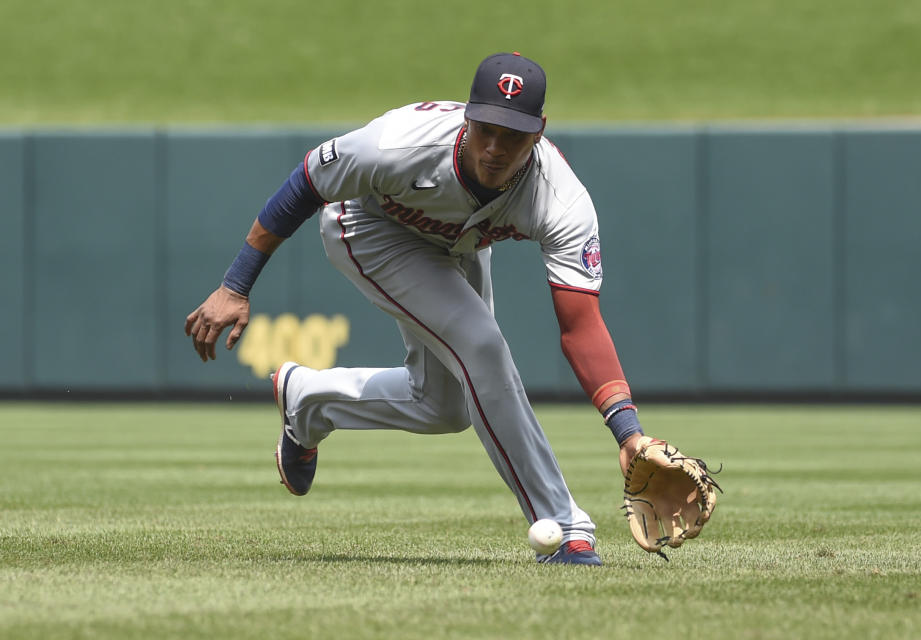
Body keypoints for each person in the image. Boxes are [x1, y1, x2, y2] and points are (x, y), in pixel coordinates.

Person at [185, 52, 649, 566]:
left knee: (445, 407)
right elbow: (305, 184)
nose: (494, 148)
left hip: (454, 244)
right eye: (486, 128)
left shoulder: (560, 199)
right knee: (482, 345)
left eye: (512, 134)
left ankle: (307, 399)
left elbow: (580, 325)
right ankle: (564, 526)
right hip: (368, 229)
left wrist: (628, 432)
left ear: (539, 132)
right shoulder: (398, 145)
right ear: (469, 115)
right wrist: (235, 285)